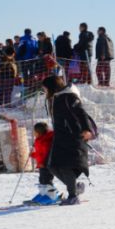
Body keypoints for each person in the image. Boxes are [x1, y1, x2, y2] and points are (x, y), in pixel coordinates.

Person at [42, 76, 95, 205]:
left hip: (73, 137)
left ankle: (73, 196)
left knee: (64, 165)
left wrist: (87, 129)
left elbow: (81, 113)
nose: (44, 90)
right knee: (51, 165)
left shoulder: (68, 97)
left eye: (45, 88)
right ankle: (74, 187)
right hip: (60, 137)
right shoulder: (55, 98)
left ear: (52, 87)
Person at [28, 122, 61, 205]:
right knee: (42, 179)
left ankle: (52, 196)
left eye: (34, 131)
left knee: (47, 179)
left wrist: (43, 162)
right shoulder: (39, 140)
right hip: (41, 164)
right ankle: (43, 194)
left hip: (46, 164)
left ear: (38, 132)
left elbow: (46, 154)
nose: (33, 133)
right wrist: (33, 154)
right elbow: (40, 153)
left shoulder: (45, 141)